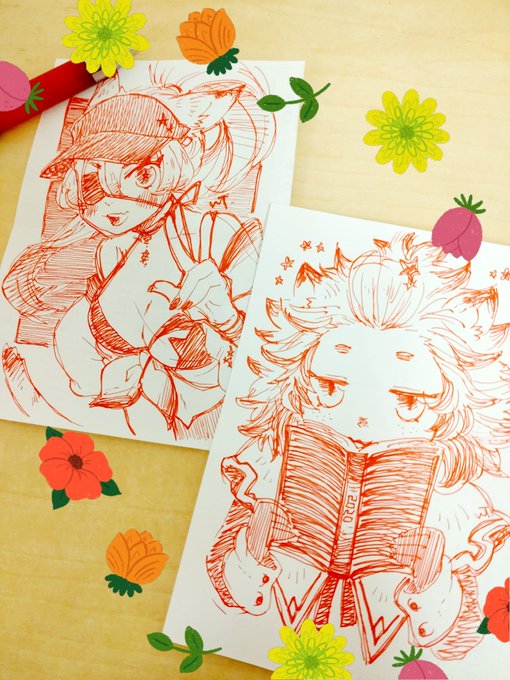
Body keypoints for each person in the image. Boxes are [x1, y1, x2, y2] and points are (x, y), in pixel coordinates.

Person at [206, 233, 510, 662]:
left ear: (451, 408)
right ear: (296, 380)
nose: (364, 421)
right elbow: (220, 579)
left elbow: (464, 638)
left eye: (408, 400)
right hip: (270, 646)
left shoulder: (457, 506)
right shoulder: (266, 470)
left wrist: (432, 579)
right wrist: (252, 550)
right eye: (332, 387)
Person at [2, 65, 275, 439]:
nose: (105, 205)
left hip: (218, 426)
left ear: (169, 166)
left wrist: (225, 317)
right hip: (125, 423)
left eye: (138, 175)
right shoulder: (111, 253)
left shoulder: (216, 235)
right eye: (89, 185)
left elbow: (272, 351)